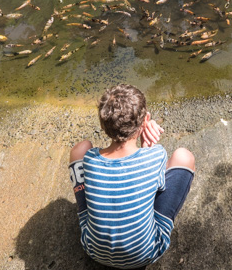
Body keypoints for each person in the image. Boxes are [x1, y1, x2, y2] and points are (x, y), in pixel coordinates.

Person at [69, 84, 195, 269]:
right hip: (146, 253)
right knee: (184, 156)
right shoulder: (155, 155)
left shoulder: (90, 159)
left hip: (94, 250)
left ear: (103, 125)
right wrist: (146, 144)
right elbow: (156, 187)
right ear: (146, 121)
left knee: (79, 148)